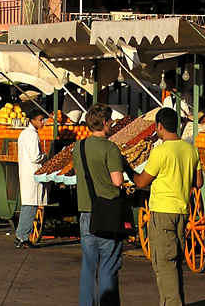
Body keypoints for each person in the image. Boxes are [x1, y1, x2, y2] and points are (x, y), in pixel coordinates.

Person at [134, 108, 203, 306]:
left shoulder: (160, 151)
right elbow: (198, 183)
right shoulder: (191, 149)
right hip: (182, 212)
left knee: (164, 264)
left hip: (162, 212)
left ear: (159, 127)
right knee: (174, 263)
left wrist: (128, 171)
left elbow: (141, 182)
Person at [73, 104, 126, 306]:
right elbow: (117, 181)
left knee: (88, 265)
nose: (112, 124)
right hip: (108, 212)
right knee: (108, 264)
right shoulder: (111, 148)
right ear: (104, 122)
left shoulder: (79, 147)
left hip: (86, 210)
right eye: (110, 120)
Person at [14, 108, 47, 249]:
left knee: (28, 204)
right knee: (30, 206)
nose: (42, 122)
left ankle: (21, 236)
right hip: (32, 173)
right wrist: (44, 156)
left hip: (27, 172)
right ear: (33, 121)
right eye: (40, 120)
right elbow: (35, 157)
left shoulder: (24, 134)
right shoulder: (32, 136)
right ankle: (23, 237)